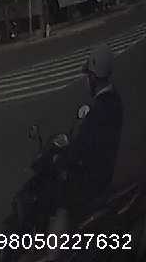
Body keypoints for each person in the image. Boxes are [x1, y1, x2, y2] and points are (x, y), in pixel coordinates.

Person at [62, 44, 123, 225]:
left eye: (88, 76)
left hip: (93, 179)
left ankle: (57, 243)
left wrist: (64, 159)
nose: (86, 81)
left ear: (94, 77)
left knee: (58, 200)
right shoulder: (113, 99)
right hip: (102, 170)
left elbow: (82, 147)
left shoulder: (100, 111)